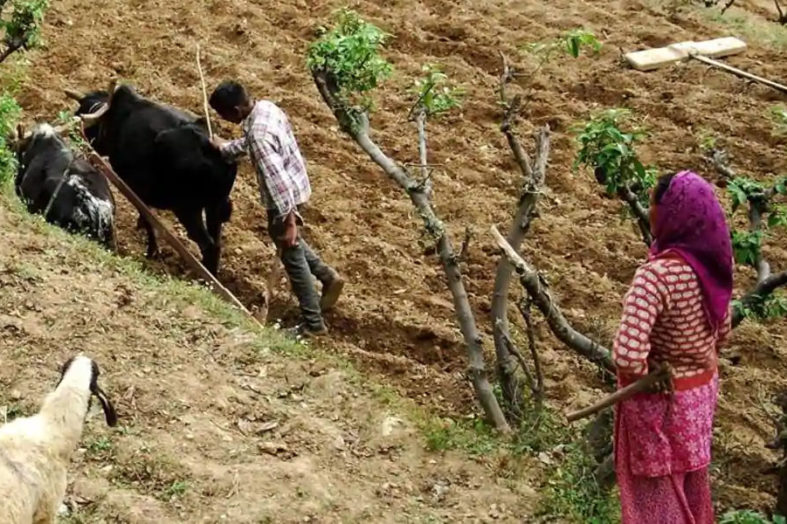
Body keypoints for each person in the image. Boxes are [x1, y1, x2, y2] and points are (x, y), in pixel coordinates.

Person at [613, 171, 734, 524]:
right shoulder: (711, 270)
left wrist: (647, 373)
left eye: (654, 204)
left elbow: (627, 355)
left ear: (669, 214)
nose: (650, 211)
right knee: (691, 492)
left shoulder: (656, 276)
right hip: (698, 403)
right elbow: (721, 332)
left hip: (659, 411)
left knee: (656, 501)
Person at [208, 80, 343, 337]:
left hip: (285, 200)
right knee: (289, 242)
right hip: (297, 183)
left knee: (291, 255)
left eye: (223, 115)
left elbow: (277, 182)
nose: (222, 119)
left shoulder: (258, 135)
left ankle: (313, 325)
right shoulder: (265, 109)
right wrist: (225, 147)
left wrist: (290, 222)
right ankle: (328, 277)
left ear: (236, 111)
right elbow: (250, 143)